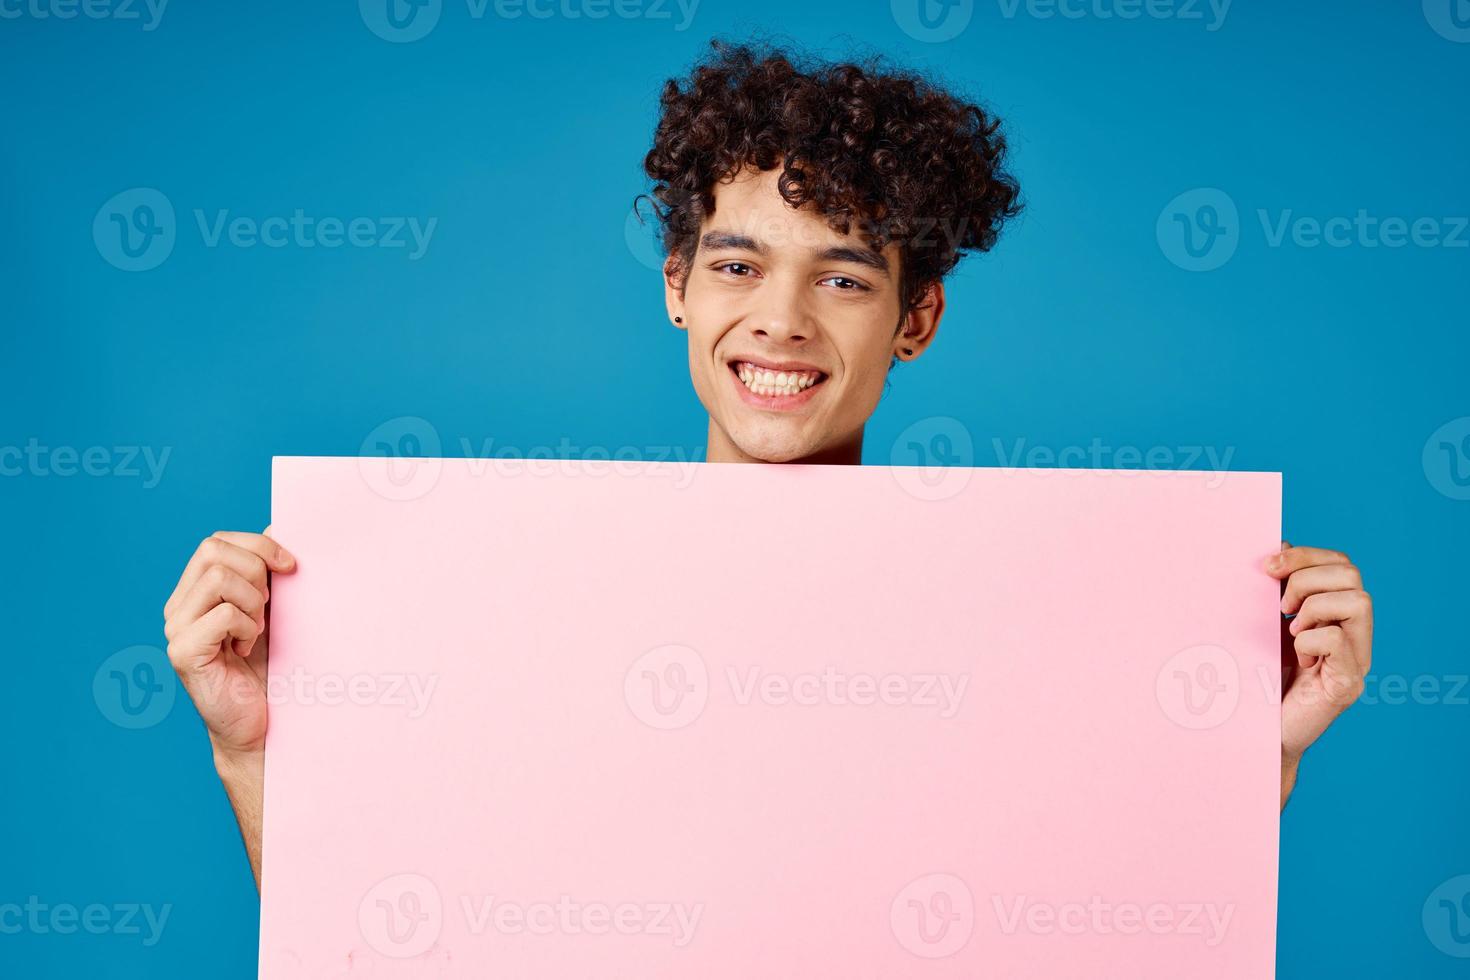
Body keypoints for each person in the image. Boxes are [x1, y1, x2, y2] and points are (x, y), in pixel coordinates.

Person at [161, 41, 1374, 890]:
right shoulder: (520, 603)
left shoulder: (1022, 625)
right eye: (738, 266)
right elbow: (388, 936)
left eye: (843, 277)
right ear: (678, 289)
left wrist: (1252, 749)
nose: (783, 321)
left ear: (918, 318)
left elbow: (1121, 923)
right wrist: (254, 749)